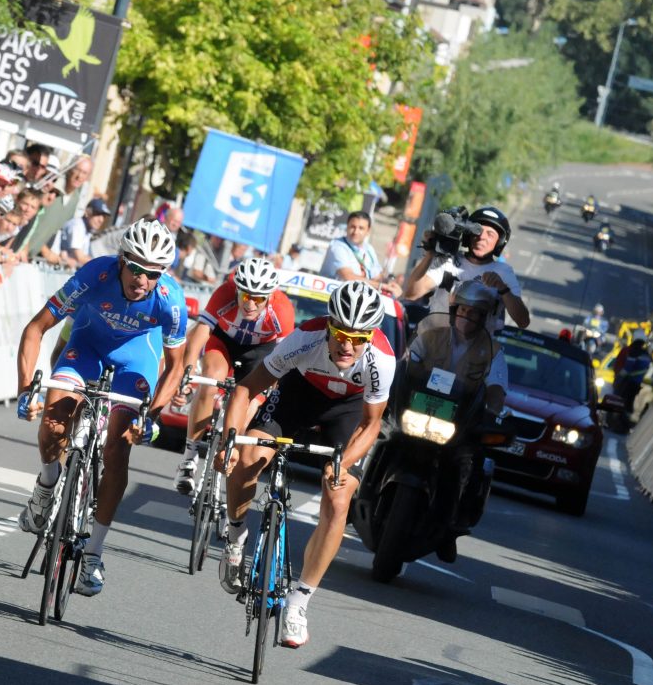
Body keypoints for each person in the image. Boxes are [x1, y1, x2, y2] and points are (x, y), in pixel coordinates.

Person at [15, 218, 188, 596]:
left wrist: (152, 416)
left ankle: (93, 552)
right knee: (55, 422)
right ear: (121, 260)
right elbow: (35, 329)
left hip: (135, 361)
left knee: (117, 447)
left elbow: (176, 368)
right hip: (86, 348)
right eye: (136, 267)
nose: (142, 279)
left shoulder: (171, 301)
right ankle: (46, 486)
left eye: (153, 272)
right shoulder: (95, 273)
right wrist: (26, 389)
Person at [217, 281, 393, 648]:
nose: (347, 345)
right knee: (248, 459)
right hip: (297, 396)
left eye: (358, 338)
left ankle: (299, 602)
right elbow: (246, 389)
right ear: (329, 327)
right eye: (340, 334)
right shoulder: (304, 339)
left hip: (347, 412)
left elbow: (371, 423)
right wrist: (229, 440)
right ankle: (235, 536)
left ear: (370, 336)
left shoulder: (382, 359)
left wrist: (342, 465)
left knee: (339, 497)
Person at [404, 279, 508, 560]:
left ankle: (448, 530)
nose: (468, 317)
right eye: (463, 310)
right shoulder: (431, 336)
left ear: (485, 318)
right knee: (379, 434)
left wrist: (493, 412)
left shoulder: (494, 352)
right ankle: (358, 491)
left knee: (465, 467)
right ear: (454, 311)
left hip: (457, 426)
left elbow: (496, 390)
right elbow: (408, 363)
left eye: (476, 313)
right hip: (416, 411)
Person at [173, 257, 294, 494]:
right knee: (210, 380)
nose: (250, 304)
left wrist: (268, 390)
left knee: (249, 401)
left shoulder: (282, 309)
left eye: (258, 298)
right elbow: (199, 335)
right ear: (237, 290)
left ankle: (226, 452)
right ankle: (189, 457)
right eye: (246, 296)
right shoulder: (225, 292)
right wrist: (186, 377)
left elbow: (284, 359)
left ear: (270, 296)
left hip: (261, 352)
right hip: (224, 342)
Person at [402, 206, 530, 333]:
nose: (481, 237)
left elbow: (523, 321)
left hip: (474, 349)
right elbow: (411, 294)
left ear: (499, 242)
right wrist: (430, 254)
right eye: (477, 231)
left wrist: (503, 289)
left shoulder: (503, 272)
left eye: (490, 234)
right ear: (468, 235)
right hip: (435, 341)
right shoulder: (448, 261)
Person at [319, 210, 401, 296]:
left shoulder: (369, 249)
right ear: (347, 227)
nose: (356, 232)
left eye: (361, 228)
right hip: (332, 298)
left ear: (368, 231)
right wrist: (382, 287)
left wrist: (390, 284)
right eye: (352, 227)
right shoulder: (338, 246)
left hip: (358, 298)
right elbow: (348, 277)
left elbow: (377, 277)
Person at [55, 197, 111, 267]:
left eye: (104, 216)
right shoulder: (77, 226)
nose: (101, 220)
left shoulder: (87, 229)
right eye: (98, 214)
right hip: (48, 269)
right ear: (87, 212)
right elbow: (80, 258)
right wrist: (103, 266)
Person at [612, 334, 652, 416]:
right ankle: (624, 420)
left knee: (619, 400)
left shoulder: (633, 352)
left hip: (628, 383)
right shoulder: (646, 354)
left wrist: (618, 378)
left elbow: (627, 368)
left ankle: (616, 418)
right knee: (629, 403)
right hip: (637, 384)